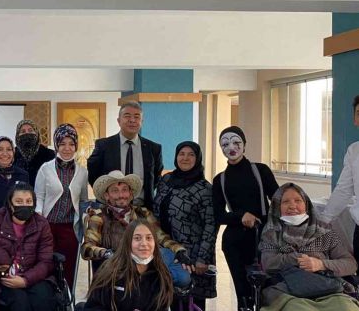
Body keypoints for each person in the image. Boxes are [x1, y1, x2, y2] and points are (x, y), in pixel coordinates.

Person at [81, 171, 191, 287]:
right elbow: (87, 248)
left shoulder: (143, 213)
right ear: (106, 195)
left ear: (130, 194)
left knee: (181, 274)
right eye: (115, 191)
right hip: (119, 266)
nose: (121, 195)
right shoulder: (99, 217)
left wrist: (179, 250)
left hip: (147, 261)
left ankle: (150, 281)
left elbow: (161, 237)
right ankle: (150, 281)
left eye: (124, 190)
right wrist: (108, 253)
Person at [260, 183, 359, 309]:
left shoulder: (323, 231)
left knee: (345, 307)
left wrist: (320, 264)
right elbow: (268, 264)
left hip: (327, 289)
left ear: (306, 205)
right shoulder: (272, 233)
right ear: (277, 207)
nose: (292, 206)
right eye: (285, 202)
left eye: (298, 201)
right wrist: (298, 258)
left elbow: (350, 264)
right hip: (287, 291)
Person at [212, 125, 278, 310]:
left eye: (236, 142)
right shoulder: (220, 180)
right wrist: (240, 216)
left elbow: (278, 200)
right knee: (243, 294)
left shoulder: (261, 170)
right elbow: (218, 215)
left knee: (268, 291)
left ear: (244, 145)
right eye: (225, 144)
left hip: (264, 238)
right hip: (234, 242)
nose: (231, 147)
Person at [0, 182, 57, 311]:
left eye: (29, 201)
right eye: (19, 201)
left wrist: (25, 280)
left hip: (34, 276)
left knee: (43, 300)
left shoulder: (41, 224)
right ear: (10, 204)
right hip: (2, 278)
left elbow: (45, 261)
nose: (24, 205)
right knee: (19, 302)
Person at [153, 141, 217, 310]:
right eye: (181, 154)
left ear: (198, 158)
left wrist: (203, 258)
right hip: (166, 250)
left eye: (191, 154)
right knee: (169, 298)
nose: (185, 158)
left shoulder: (204, 189)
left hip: (192, 255)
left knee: (192, 303)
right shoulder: (166, 180)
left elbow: (210, 225)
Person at [34, 123, 89, 288]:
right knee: (46, 266)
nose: (67, 148)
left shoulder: (82, 172)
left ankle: (66, 297)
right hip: (48, 227)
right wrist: (38, 219)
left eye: (71, 144)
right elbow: (39, 197)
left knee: (68, 268)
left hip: (70, 228)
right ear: (56, 145)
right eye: (63, 144)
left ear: (76, 146)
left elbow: (83, 200)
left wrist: (87, 217)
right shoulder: (45, 169)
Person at [84, 219, 174, 311]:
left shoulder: (162, 275)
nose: (144, 244)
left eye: (148, 238)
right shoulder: (110, 271)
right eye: (137, 238)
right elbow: (92, 307)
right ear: (128, 242)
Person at [87, 101, 163, 209]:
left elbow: (156, 178)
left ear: (142, 121)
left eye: (136, 117)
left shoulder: (154, 149)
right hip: (111, 210)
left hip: (142, 210)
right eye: (127, 116)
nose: (132, 120)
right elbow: (93, 175)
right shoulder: (103, 145)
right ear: (118, 121)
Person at [323, 95, 359, 259]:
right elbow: (343, 190)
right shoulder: (354, 151)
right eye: (358, 113)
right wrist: (325, 220)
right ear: (355, 120)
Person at [13, 119, 55, 186]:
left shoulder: (49, 155)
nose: (27, 133)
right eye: (23, 131)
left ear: (37, 133)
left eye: (30, 130)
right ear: (17, 136)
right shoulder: (12, 154)